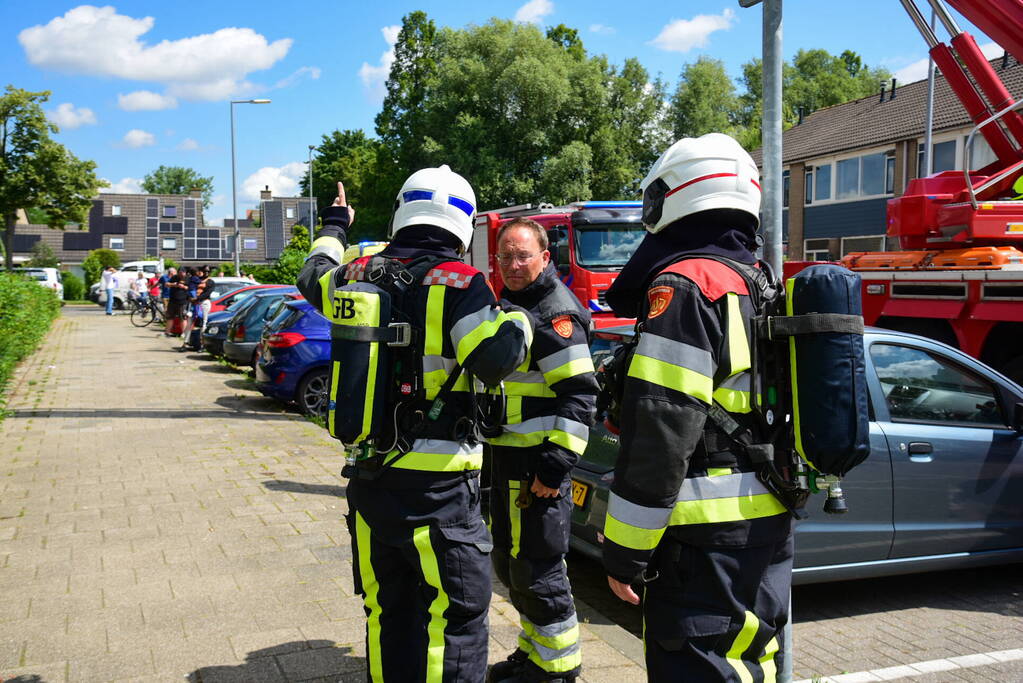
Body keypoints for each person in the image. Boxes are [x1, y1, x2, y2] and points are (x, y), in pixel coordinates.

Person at [297, 169, 533, 682]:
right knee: (453, 619)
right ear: (463, 221)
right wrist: (519, 319)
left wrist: (336, 223)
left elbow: (311, 272)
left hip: (369, 479)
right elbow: (495, 359)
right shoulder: (461, 282)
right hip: (441, 489)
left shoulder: (354, 273)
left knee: (387, 613)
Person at [601, 133, 793, 681]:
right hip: (764, 525)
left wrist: (625, 551)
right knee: (750, 664)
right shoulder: (755, 280)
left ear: (677, 195)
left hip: (702, 541)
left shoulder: (687, 284)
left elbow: (661, 430)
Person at [485, 218, 598, 683]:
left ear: (545, 257)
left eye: (523, 255)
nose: (513, 264)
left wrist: (552, 471)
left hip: (536, 469)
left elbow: (581, 398)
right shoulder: (515, 303)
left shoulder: (555, 315)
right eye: (505, 256)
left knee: (539, 570)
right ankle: (533, 654)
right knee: (513, 565)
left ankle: (558, 669)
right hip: (508, 460)